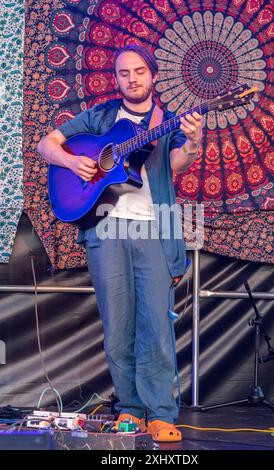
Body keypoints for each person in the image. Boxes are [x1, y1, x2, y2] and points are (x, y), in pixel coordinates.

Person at [38, 45, 202, 442]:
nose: (133, 79)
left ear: (154, 76)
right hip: (105, 230)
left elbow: (176, 163)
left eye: (140, 71)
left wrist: (194, 143)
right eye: (124, 73)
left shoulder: (167, 121)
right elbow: (47, 143)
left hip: (152, 229)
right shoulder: (102, 117)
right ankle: (129, 410)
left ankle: (160, 412)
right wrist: (72, 162)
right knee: (118, 326)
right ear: (117, 78)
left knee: (155, 326)